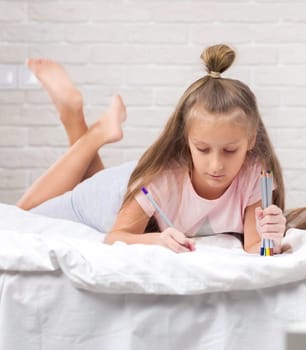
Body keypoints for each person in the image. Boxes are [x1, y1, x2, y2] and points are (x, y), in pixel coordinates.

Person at [17, 44, 287, 255]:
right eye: (202, 149)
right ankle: (94, 131)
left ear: (251, 141)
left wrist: (271, 238)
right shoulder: (164, 178)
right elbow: (115, 237)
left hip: (130, 191)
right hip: (111, 197)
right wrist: (157, 240)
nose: (216, 165)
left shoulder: (255, 174)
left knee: (89, 178)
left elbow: (256, 249)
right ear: (185, 140)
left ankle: (76, 119)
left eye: (230, 151)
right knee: (23, 213)